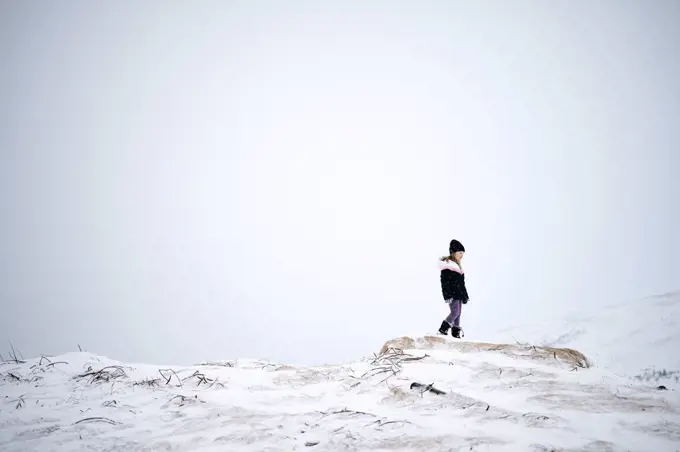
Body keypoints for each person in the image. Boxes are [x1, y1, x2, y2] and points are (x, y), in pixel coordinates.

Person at [438, 239, 469, 338]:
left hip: (459, 294)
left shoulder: (459, 267)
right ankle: (443, 329)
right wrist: (447, 295)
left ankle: (455, 333)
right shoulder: (448, 266)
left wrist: (465, 296)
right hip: (453, 294)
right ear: (453, 252)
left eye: (463, 253)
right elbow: (444, 282)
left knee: (458, 313)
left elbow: (462, 284)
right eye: (460, 253)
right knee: (455, 312)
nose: (462, 255)